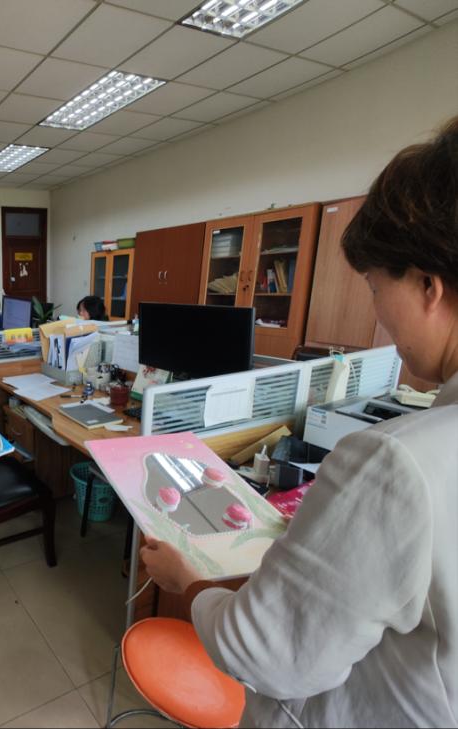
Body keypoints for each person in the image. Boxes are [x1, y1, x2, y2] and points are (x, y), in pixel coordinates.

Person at [141, 117, 458, 727]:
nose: (378, 315)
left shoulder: (397, 462)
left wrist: (189, 582)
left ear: (428, 285)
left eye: (374, 287)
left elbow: (264, 654)